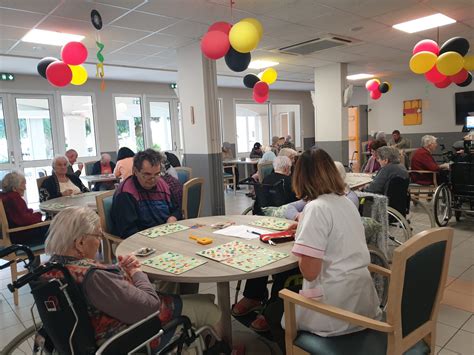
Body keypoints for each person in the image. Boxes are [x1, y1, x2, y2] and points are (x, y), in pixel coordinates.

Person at [43, 207, 223, 350]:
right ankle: (222, 348)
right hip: (129, 336)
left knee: (204, 297)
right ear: (80, 242)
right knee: (210, 307)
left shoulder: (52, 269)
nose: (99, 241)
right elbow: (150, 305)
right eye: (98, 236)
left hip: (94, 327)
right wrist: (137, 272)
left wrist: (117, 270)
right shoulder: (93, 277)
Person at [266, 149, 382, 351]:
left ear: (300, 176)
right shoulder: (346, 203)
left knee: (273, 312)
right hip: (362, 301)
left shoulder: (316, 209)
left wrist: (302, 238)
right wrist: (305, 226)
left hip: (335, 310)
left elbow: (309, 272)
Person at [111, 149, 181, 239]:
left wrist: (173, 217)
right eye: (147, 174)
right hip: (141, 242)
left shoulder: (163, 185)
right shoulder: (126, 193)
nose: (153, 179)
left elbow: (176, 209)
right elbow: (128, 231)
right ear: (135, 171)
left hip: (166, 234)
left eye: (157, 174)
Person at [284, 161, 359, 221]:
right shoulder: (319, 194)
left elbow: (339, 219)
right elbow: (289, 208)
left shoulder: (350, 198)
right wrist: (298, 216)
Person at [0, 172, 48, 245]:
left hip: (10, 235)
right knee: (57, 227)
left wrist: (30, 212)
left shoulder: (3, 196)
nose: (25, 188)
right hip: (20, 237)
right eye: (23, 185)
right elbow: (24, 220)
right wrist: (38, 215)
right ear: (14, 188)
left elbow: (18, 215)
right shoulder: (14, 198)